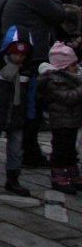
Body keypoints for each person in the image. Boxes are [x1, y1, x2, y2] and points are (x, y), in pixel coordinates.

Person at [0, 0, 67, 166]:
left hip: (13, 54)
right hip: (32, 57)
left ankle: (20, 151)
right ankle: (29, 152)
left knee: (19, 105)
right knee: (31, 108)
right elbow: (58, 14)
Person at [0, 26, 33, 197]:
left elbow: (31, 95)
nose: (20, 57)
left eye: (23, 55)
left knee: (16, 149)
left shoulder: (27, 70)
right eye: (17, 53)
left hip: (17, 114)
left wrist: (31, 115)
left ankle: (13, 179)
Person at [38, 43, 82, 194]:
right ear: (64, 66)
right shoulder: (55, 81)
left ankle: (71, 171)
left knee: (70, 149)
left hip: (72, 120)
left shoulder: (72, 78)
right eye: (73, 65)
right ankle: (58, 176)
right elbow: (68, 98)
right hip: (60, 121)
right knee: (60, 149)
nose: (77, 67)